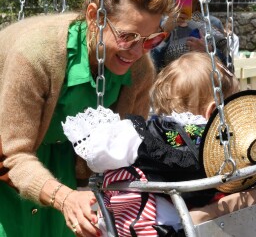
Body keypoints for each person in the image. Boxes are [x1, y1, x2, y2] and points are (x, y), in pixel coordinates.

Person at [0, 0, 172, 237]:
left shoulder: (140, 71)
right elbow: (12, 154)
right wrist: (65, 198)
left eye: (150, 39)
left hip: (63, 160)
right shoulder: (37, 56)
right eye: (127, 36)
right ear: (95, 17)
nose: (137, 51)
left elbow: (124, 156)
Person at [63, 52, 240, 236]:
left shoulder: (144, 134)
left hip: (139, 224)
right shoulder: (222, 141)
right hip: (180, 226)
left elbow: (99, 157)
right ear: (213, 110)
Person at [151, 0, 229, 72]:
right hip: (170, 88)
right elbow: (151, 65)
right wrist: (165, 32)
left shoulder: (213, 23)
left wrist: (208, 51)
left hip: (203, 87)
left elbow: (228, 67)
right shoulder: (161, 23)